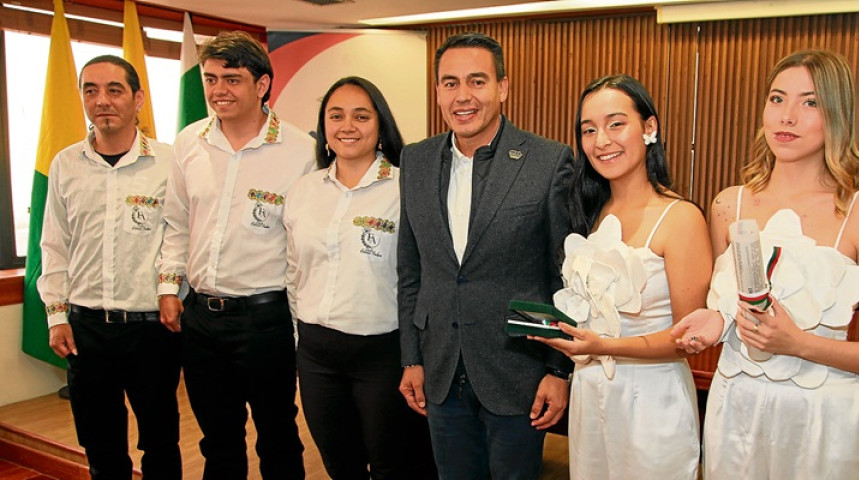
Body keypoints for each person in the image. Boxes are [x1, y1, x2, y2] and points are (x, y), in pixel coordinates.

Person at [672, 50, 859, 479]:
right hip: (737, 409)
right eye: (777, 99)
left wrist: (798, 343)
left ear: (837, 114)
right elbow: (735, 309)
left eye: (810, 102)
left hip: (822, 420)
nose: (788, 116)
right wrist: (715, 321)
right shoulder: (729, 204)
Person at [397, 31, 574, 480]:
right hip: (439, 368)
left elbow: (565, 277)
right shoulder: (415, 161)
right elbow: (411, 270)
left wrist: (559, 369)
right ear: (437, 90)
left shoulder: (548, 161)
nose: (463, 96)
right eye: (450, 83)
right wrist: (411, 358)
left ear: (503, 87)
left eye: (477, 81)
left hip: (518, 371)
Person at [529, 74, 710, 480]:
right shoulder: (591, 214)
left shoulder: (680, 218)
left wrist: (604, 345)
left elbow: (689, 339)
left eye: (616, 124)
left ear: (649, 127)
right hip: (592, 394)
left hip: (652, 401)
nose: (601, 141)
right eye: (588, 130)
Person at [158, 31, 312, 479]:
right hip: (201, 319)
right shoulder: (190, 142)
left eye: (231, 79)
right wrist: (170, 287)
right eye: (210, 79)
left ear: (262, 85)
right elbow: (177, 222)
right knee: (218, 439)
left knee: (278, 436)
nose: (218, 91)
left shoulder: (302, 151)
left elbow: (304, 246)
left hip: (267, 321)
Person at [285, 76, 436, 479]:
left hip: (384, 355)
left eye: (361, 116)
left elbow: (422, 279)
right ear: (324, 126)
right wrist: (300, 339)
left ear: (381, 125)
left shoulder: (407, 188)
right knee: (340, 464)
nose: (347, 125)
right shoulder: (303, 190)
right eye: (336, 116)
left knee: (395, 466)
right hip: (317, 353)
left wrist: (414, 357)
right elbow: (293, 271)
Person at [38, 55, 182, 480]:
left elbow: (180, 237)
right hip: (86, 329)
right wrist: (56, 316)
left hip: (151, 329)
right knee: (100, 447)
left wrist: (171, 289)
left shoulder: (169, 163)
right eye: (91, 90)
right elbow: (54, 247)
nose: (102, 100)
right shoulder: (65, 165)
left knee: (160, 443)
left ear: (138, 99)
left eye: (114, 90)